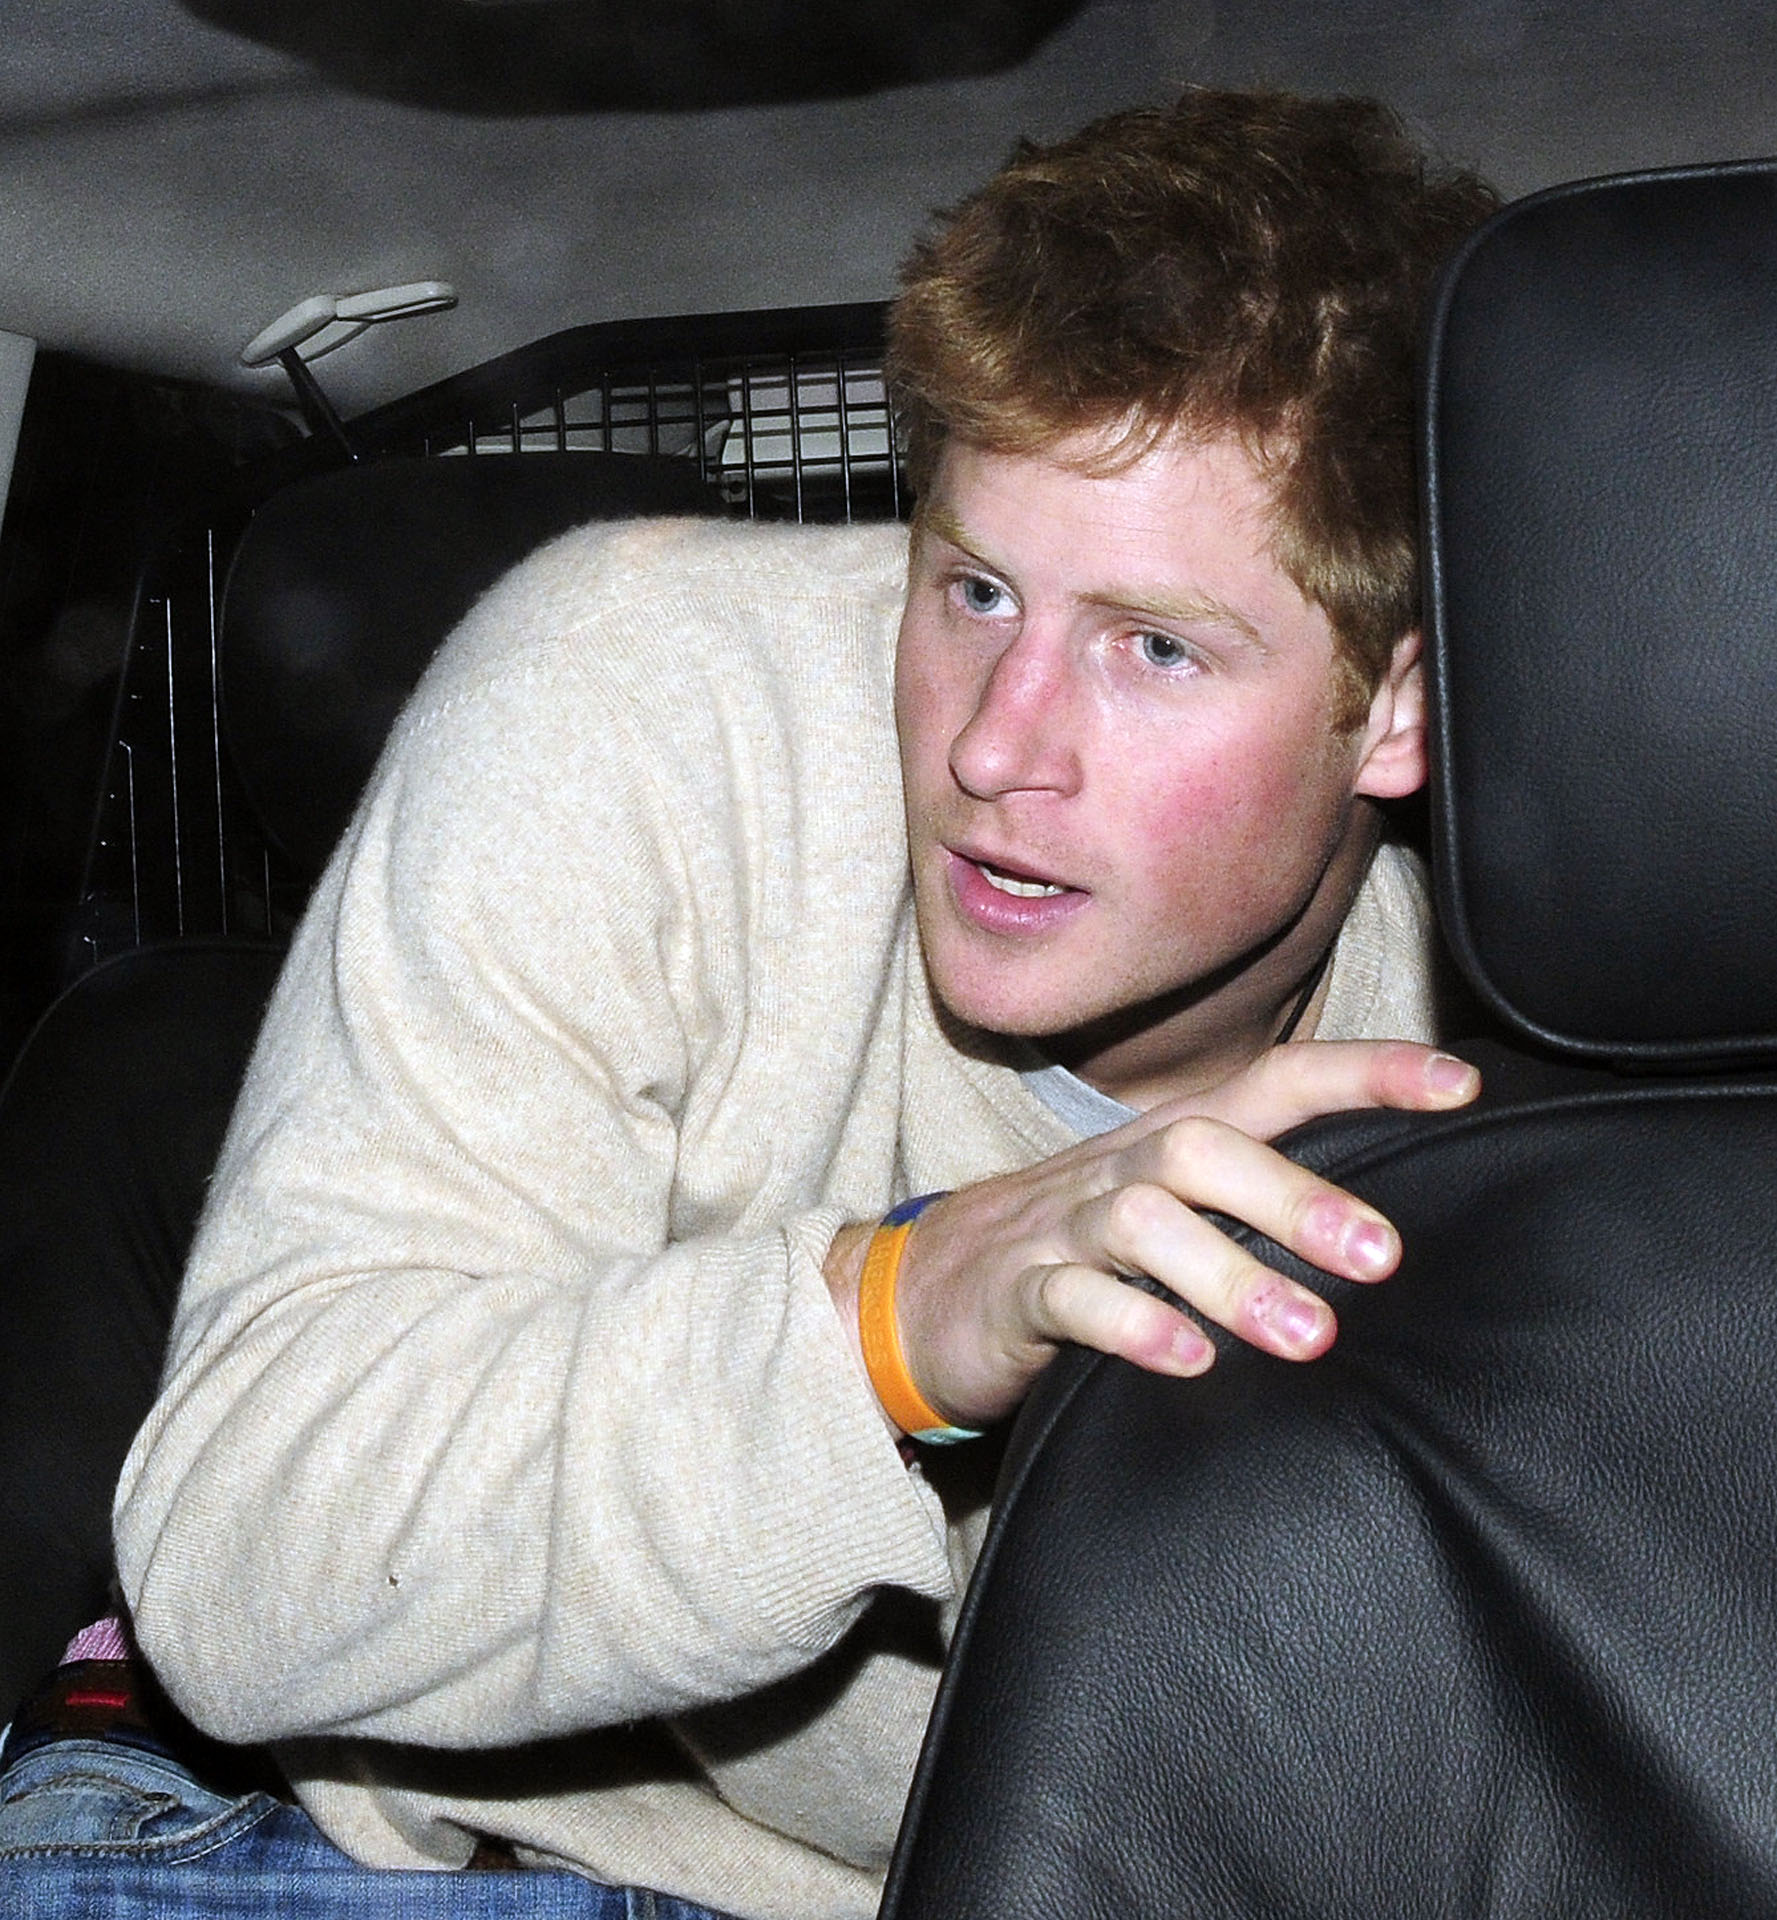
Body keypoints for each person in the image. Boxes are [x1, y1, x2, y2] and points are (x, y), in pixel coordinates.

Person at [0, 87, 1497, 1920]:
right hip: (452, 1848)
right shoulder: (644, 699)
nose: (991, 742)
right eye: (970, 587)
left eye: (1156, 646)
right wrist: (892, 1316)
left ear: (1401, 703)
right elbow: (244, 1576)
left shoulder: (1557, 1050)